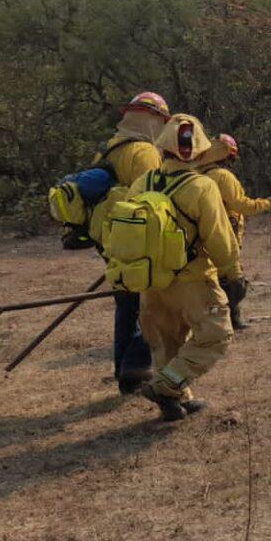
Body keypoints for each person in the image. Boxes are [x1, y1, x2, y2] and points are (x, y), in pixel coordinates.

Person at [130, 114, 241, 422]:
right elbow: (219, 237)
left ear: (163, 148)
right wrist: (233, 273)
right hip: (193, 279)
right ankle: (167, 386)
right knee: (216, 335)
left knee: (167, 342)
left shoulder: (142, 182)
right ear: (199, 151)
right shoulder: (201, 186)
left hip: (151, 281)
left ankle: (175, 399)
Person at [95, 91, 168, 395]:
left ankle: (126, 375)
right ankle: (137, 363)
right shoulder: (144, 152)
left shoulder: (107, 150)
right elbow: (157, 198)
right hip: (138, 237)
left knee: (126, 304)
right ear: (152, 119)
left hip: (110, 238)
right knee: (155, 303)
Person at [197, 134, 271, 330]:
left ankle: (232, 320)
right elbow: (241, 205)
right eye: (230, 158)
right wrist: (268, 204)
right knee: (235, 284)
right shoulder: (223, 177)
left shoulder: (195, 176)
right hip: (224, 237)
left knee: (217, 279)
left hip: (201, 237)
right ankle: (220, 322)